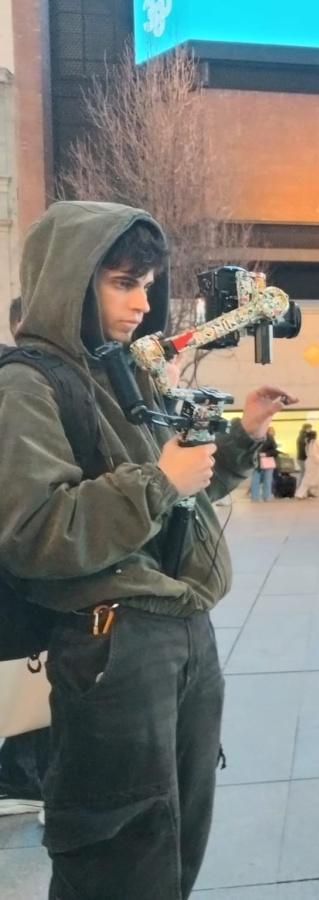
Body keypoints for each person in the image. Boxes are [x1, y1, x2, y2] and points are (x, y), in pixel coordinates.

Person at [0, 202, 293, 896]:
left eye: (148, 285)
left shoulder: (118, 374)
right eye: (123, 283)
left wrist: (242, 437)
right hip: (113, 644)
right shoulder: (25, 384)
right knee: (119, 856)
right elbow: (38, 531)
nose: (142, 303)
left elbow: (177, 500)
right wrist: (157, 480)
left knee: (177, 842)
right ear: (70, 279)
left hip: (180, 634)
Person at [0, 294, 51, 821]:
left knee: (31, 673)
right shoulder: (21, 381)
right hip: (22, 571)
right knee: (34, 667)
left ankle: (25, 776)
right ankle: (30, 780)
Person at [296, 430, 319, 500]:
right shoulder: (314, 442)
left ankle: (300, 494)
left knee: (307, 479)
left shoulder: (308, 442)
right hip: (316, 464)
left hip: (310, 463)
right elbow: (314, 453)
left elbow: (310, 453)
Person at [250, 425, 279, 501]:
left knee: (267, 479)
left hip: (267, 461)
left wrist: (266, 454)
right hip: (256, 462)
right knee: (255, 480)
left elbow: (274, 451)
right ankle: (255, 497)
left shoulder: (269, 438)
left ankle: (266, 496)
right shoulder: (253, 437)